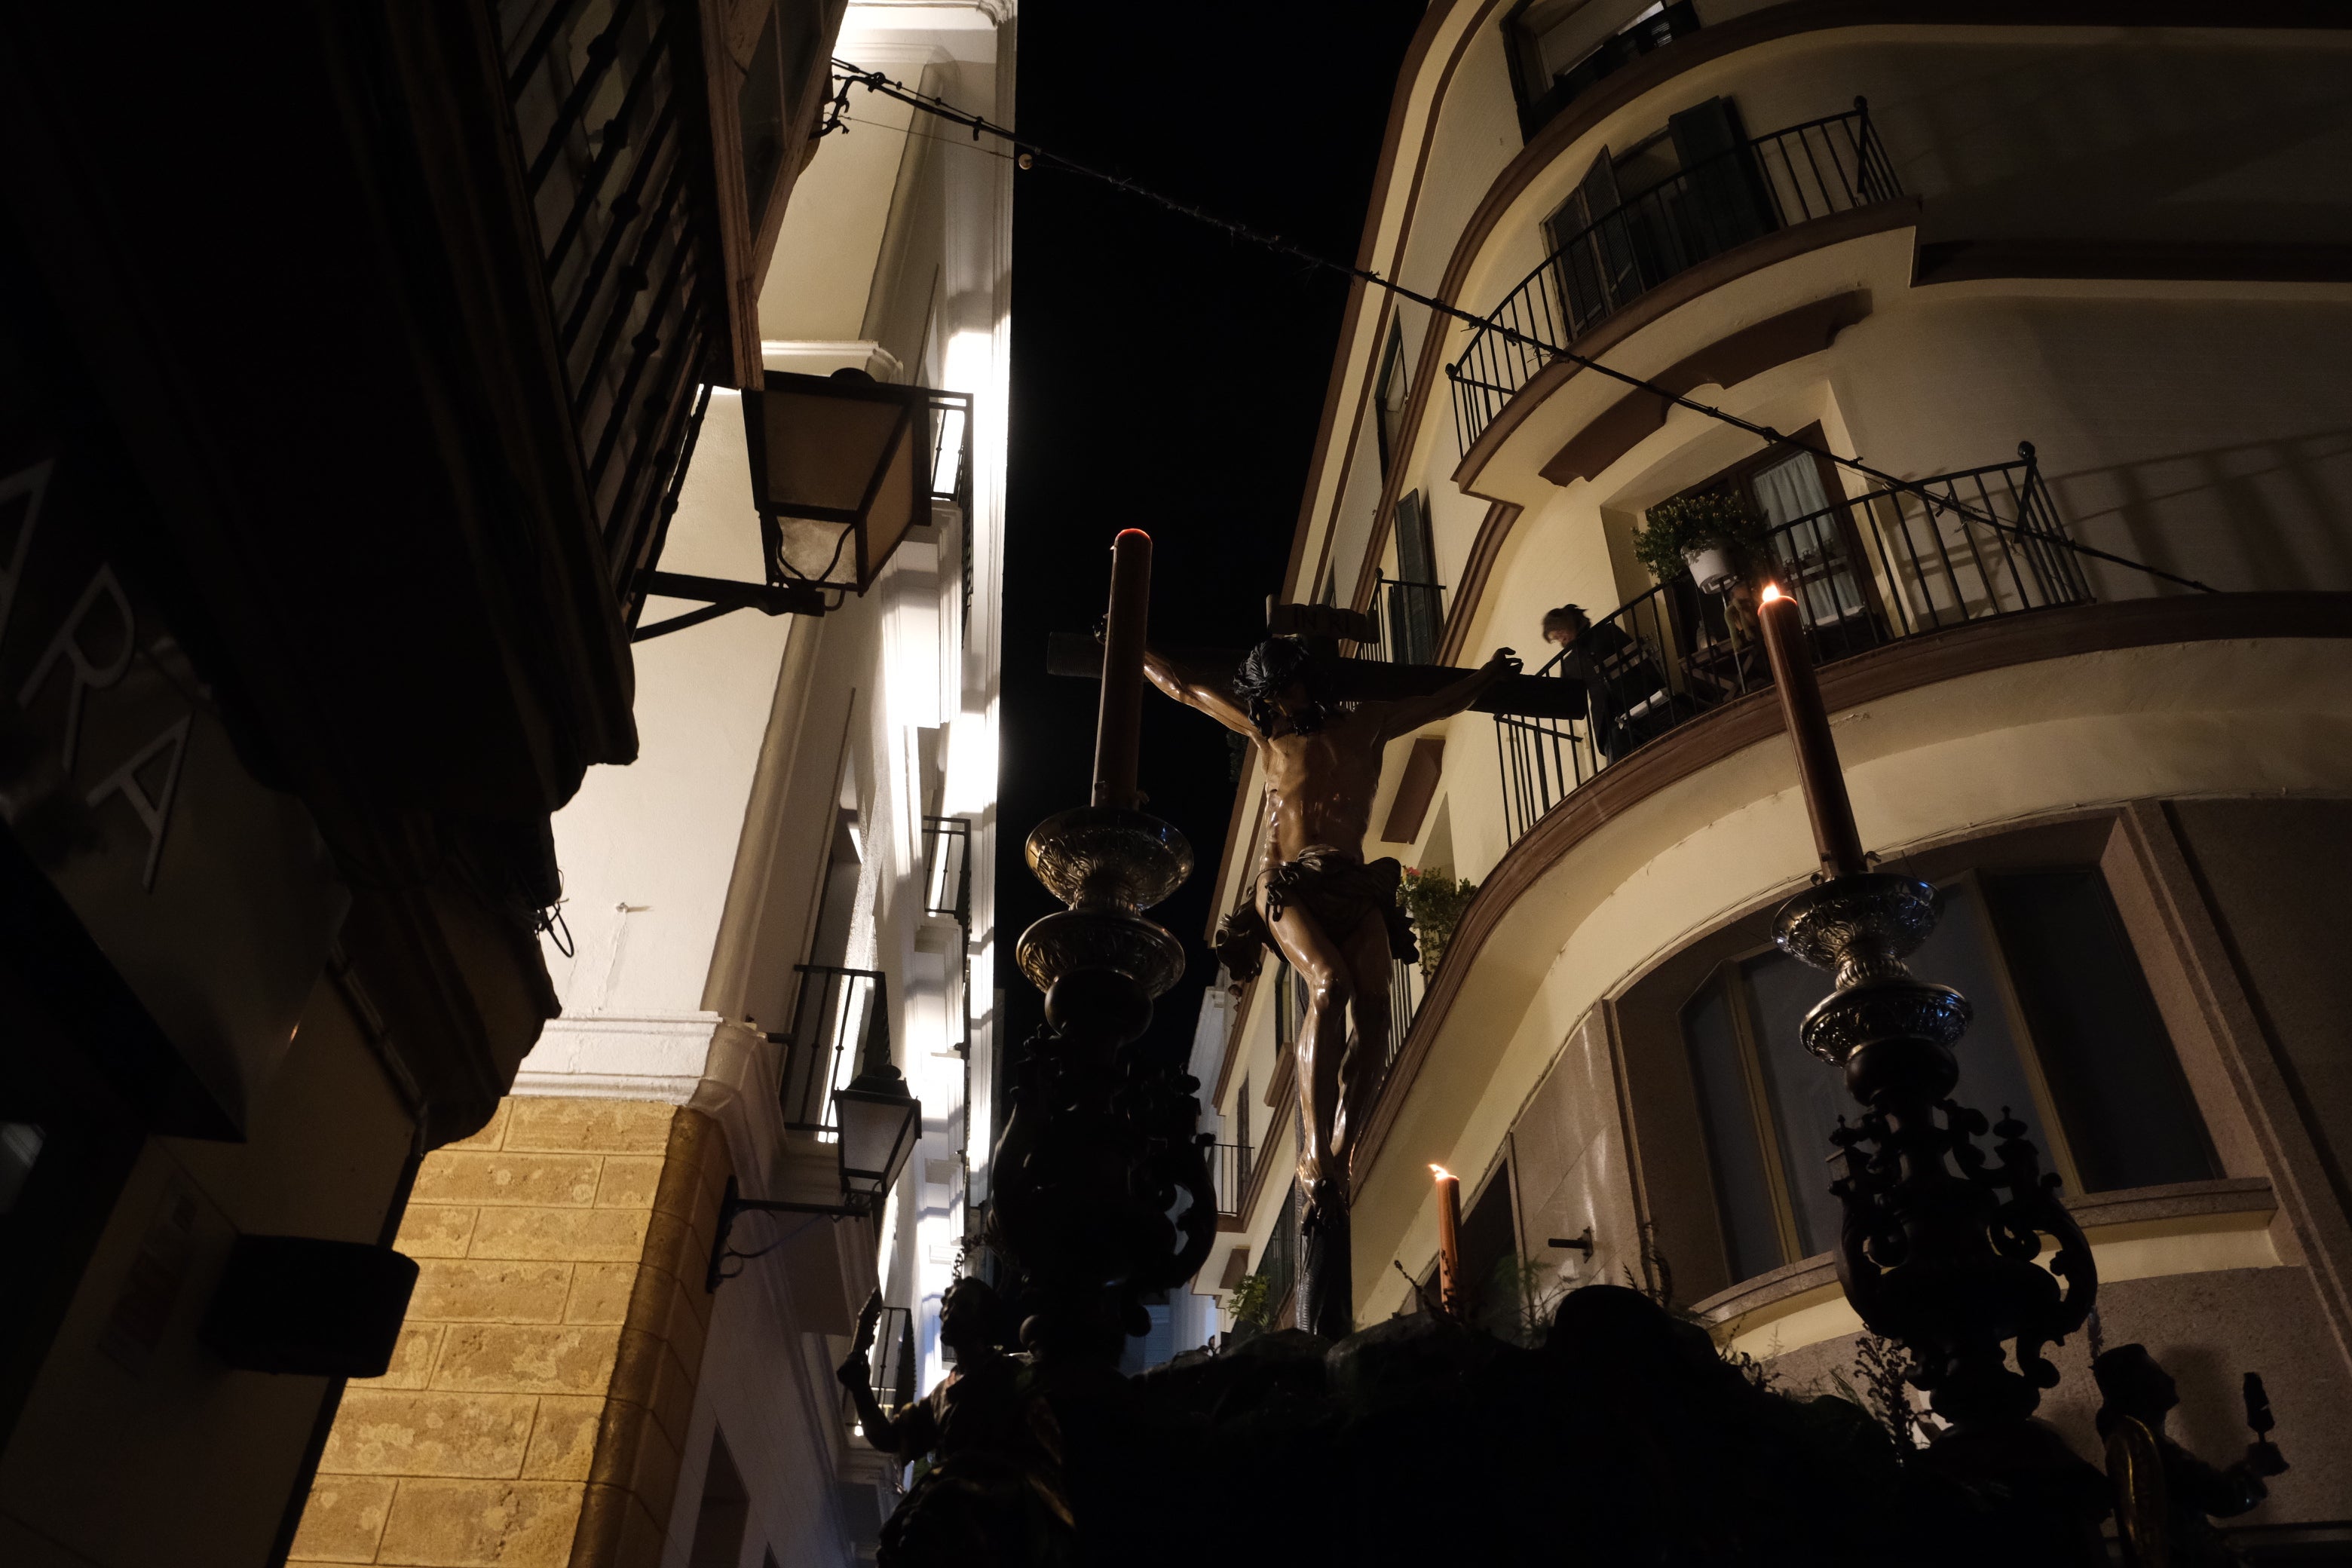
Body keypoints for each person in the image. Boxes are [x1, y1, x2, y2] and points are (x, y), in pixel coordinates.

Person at [1142, 635, 1517, 1234]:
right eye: (1268, 698)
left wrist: (1489, 676)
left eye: (1283, 691)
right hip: (1285, 884)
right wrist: (1140, 648)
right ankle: (1315, 1150)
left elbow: (1439, 703)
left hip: (1353, 881)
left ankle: (1342, 1147)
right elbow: (1188, 690)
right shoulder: (1268, 737)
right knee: (1328, 985)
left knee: (1375, 1008)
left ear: (1305, 680)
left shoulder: (1370, 724)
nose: (1278, 705)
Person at [838, 1279, 1074, 1566]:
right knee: (897, 1535)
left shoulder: (1012, 1374)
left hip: (998, 1505)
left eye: (963, 1306)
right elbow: (890, 1437)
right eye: (947, 1305)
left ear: (984, 1322)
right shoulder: (940, 1394)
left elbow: (1049, 1446)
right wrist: (861, 1389)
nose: (949, 1312)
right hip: (948, 1508)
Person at [2094, 1343, 2287, 1568]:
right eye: (2156, 1374)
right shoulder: (2151, 1449)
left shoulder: (2140, 1443)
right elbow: (2222, 1498)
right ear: (2137, 1388)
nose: (2170, 1379)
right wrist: (2255, 1467)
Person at [1540, 603, 1671, 762]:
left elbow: (1641, 659)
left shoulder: (1607, 632)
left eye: (1560, 633)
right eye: (1556, 638)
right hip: (1608, 719)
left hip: (1640, 698)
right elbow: (1567, 697)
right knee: (1618, 745)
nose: (1561, 640)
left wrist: (1661, 687)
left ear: (1568, 623)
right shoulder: (1570, 662)